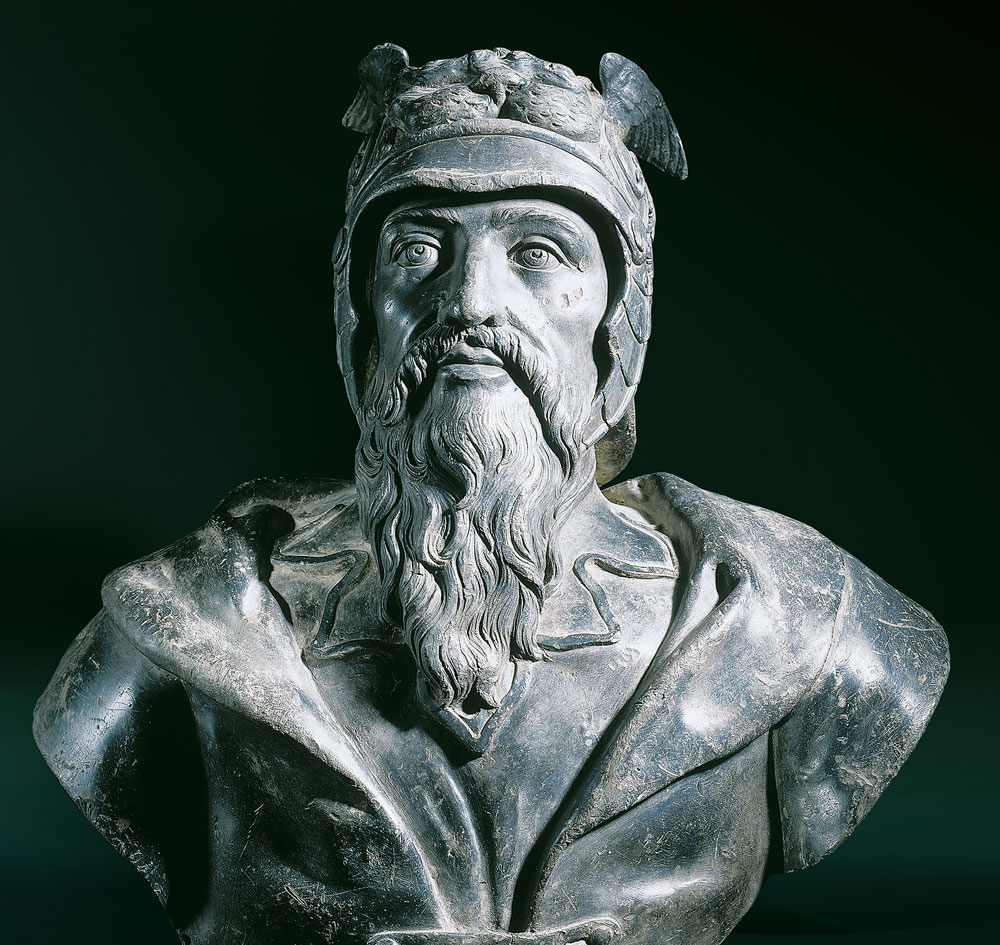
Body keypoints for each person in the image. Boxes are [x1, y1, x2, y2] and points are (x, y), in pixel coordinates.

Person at [34, 46, 949, 945]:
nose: (471, 301)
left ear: (619, 321)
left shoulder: (802, 621)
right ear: (361, 312)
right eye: (418, 248)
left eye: (538, 252)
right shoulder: (183, 624)